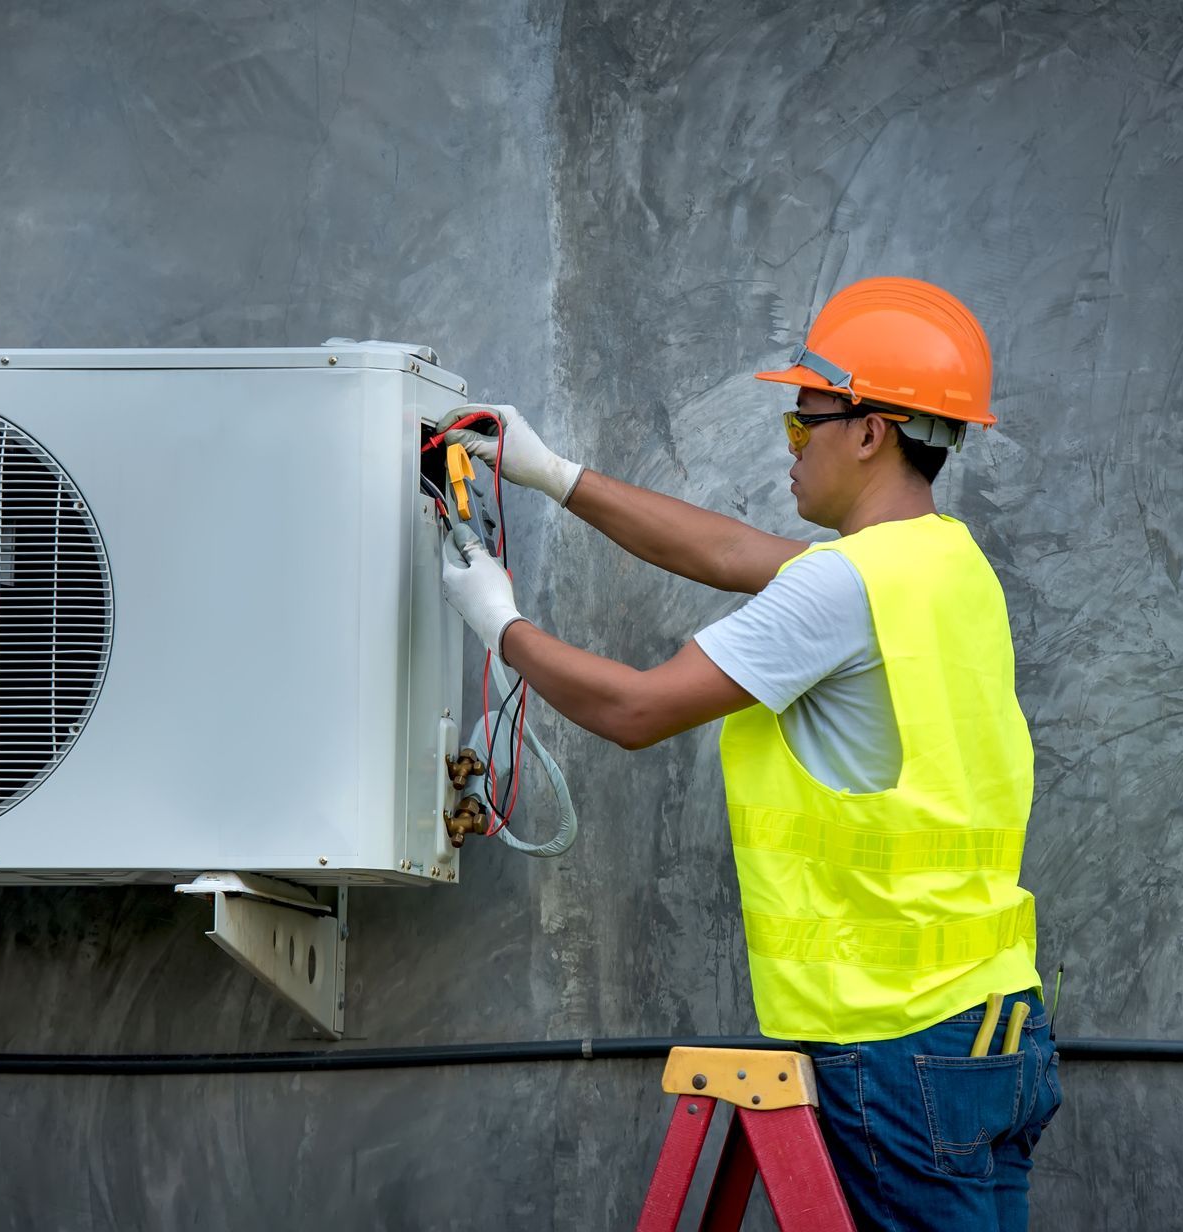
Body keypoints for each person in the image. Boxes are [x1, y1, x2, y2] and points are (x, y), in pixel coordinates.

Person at [440, 277, 1061, 1231]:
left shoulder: (841, 591)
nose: (793, 447)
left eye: (802, 423)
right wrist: (552, 474)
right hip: (993, 1031)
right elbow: (731, 551)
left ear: (871, 431)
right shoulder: (942, 561)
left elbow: (638, 710)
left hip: (893, 1044)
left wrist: (500, 624)